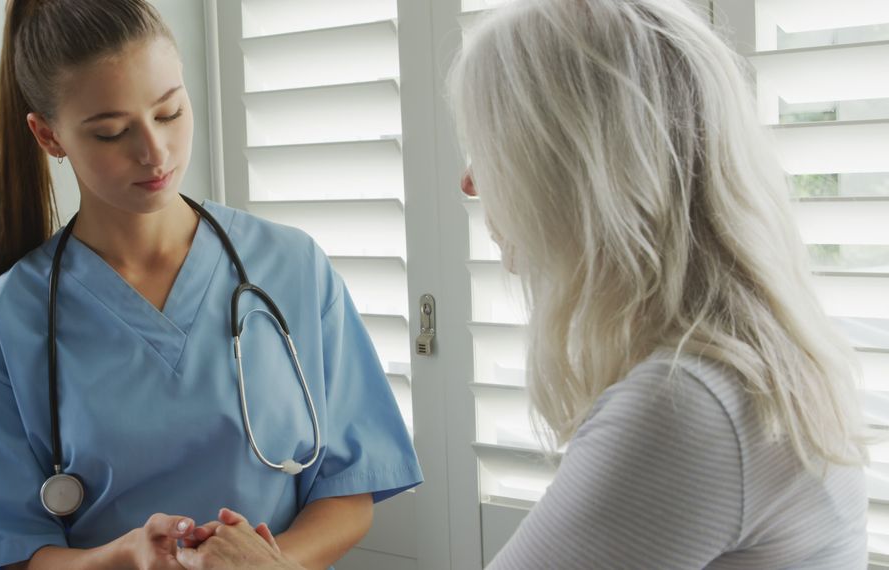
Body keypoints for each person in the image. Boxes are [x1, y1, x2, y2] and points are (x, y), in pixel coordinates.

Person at [181, 0, 871, 568]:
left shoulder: (686, 409)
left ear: (578, 168)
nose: (470, 182)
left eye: (495, 147)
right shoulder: (754, 364)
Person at [0, 1, 422, 568]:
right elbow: (4, 553)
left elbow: (349, 489)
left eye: (169, 113)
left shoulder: (293, 266)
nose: (154, 152)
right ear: (49, 137)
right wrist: (123, 557)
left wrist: (267, 565)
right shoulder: (1, 323)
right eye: (112, 132)